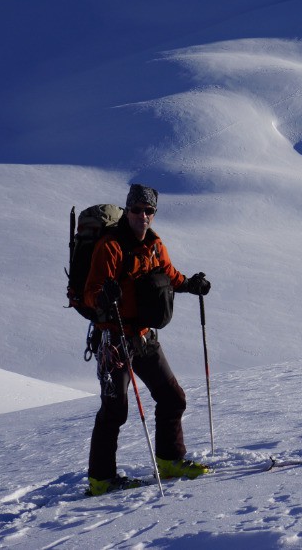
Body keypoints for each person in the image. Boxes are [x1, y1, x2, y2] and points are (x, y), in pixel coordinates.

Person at [83, 183, 212, 496]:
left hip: (142, 336)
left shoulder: (155, 245)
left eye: (149, 210)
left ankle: (169, 460)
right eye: (137, 209)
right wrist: (104, 294)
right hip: (113, 340)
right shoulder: (110, 247)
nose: (143, 216)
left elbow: (167, 274)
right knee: (114, 410)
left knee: (172, 397)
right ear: (127, 211)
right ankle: (101, 480)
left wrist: (190, 284)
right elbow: (90, 293)